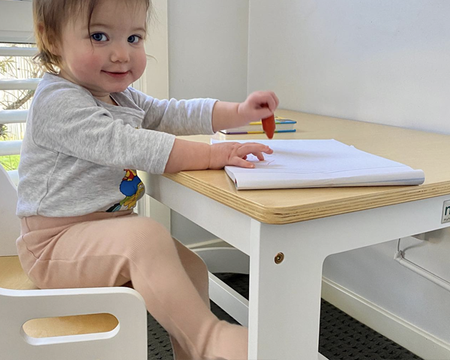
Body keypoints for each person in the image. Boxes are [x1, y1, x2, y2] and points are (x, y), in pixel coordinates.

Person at [15, 0, 278, 359]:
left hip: (99, 235)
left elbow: (169, 112)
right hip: (53, 248)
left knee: (191, 268)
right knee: (147, 235)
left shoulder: (119, 95)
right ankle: (208, 339)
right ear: (52, 39)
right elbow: (132, 145)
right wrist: (215, 154)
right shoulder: (57, 102)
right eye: (99, 35)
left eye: (134, 37)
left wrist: (237, 112)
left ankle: (194, 353)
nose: (122, 54)